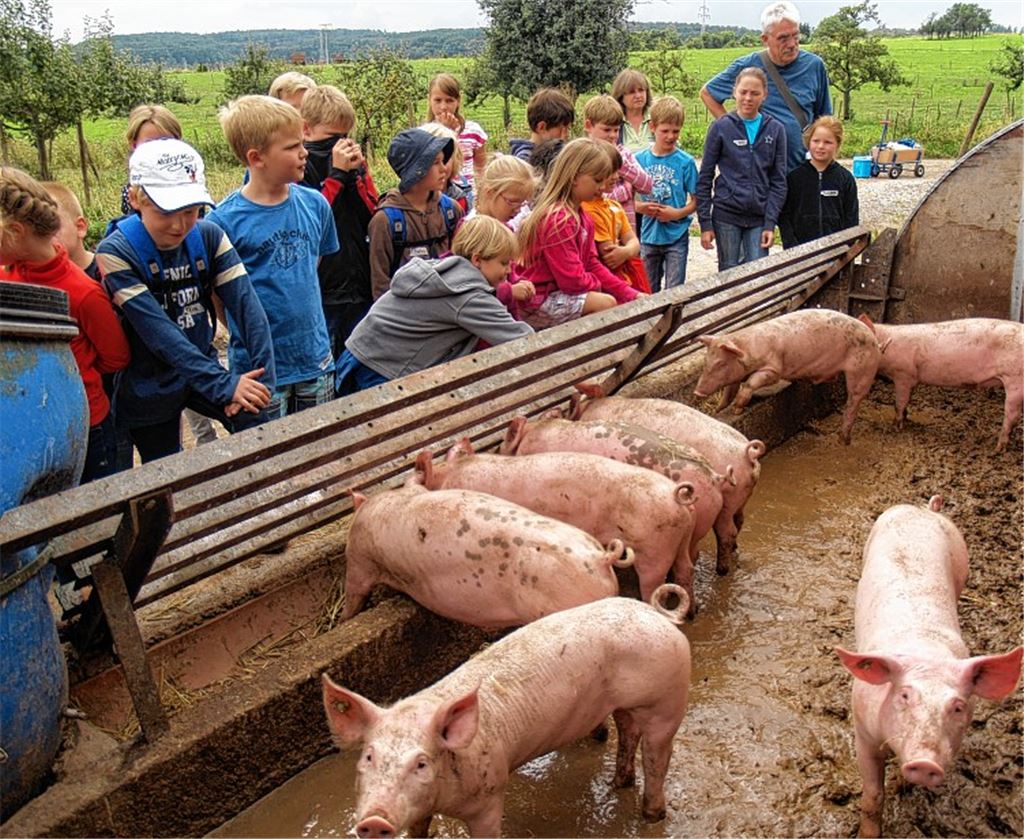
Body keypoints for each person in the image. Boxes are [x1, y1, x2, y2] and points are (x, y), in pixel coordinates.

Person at [96, 139, 275, 462]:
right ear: (135, 199)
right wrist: (224, 385)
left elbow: (248, 309)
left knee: (254, 414)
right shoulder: (115, 252)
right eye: (166, 212)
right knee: (165, 466)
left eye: (191, 211)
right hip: (146, 380)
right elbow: (160, 334)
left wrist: (263, 384)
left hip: (201, 360)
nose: (179, 225)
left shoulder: (208, 236)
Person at [208, 95, 338, 421]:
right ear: (257, 158)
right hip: (258, 372)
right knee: (265, 448)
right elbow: (218, 295)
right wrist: (245, 333)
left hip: (314, 359)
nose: (304, 152)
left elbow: (313, 267)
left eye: (302, 143)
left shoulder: (315, 205)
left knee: (319, 443)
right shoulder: (222, 223)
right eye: (292, 147)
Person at [2, 167, 130, 482]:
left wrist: (74, 370)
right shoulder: (6, 276)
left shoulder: (83, 292)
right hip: (26, 423)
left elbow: (116, 357)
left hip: (84, 426)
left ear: (16, 231)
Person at [335, 215, 534, 395]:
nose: (509, 271)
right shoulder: (468, 296)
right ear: (477, 260)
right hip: (380, 369)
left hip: (361, 353)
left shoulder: (445, 273)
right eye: (504, 263)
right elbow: (522, 339)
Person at [516, 137, 642, 330]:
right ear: (574, 177)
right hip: (538, 299)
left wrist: (629, 293)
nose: (602, 187)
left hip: (557, 294)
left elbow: (591, 264)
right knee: (605, 304)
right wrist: (602, 286)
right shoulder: (559, 220)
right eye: (597, 180)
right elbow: (572, 281)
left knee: (611, 300)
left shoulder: (582, 217)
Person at [699, 1, 831, 173]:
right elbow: (708, 93)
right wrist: (735, 132)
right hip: (761, 175)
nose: (792, 44)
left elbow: (825, 120)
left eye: (796, 36)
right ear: (765, 39)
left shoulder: (814, 66)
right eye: (783, 38)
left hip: (802, 172)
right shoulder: (748, 67)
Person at [299, 84, 379, 362]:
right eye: (332, 138)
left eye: (345, 137)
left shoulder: (354, 164)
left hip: (359, 279)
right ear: (306, 129)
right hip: (326, 288)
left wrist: (358, 176)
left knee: (360, 359)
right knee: (328, 360)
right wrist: (335, 176)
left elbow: (373, 213)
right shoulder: (304, 165)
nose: (340, 145)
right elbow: (311, 222)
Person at [697, 68, 789, 272]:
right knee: (729, 274)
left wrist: (770, 222)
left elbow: (779, 181)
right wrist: (705, 223)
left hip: (759, 218)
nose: (748, 98)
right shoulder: (721, 127)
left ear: (764, 95)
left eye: (755, 93)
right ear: (734, 92)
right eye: (743, 92)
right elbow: (705, 177)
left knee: (758, 274)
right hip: (726, 215)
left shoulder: (776, 130)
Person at [367, 127, 464, 299]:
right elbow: (380, 285)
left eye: (443, 161)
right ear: (417, 170)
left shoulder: (451, 210)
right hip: (404, 312)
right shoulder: (385, 221)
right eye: (435, 162)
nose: (444, 169)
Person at [634, 96, 699, 292]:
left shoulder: (686, 162)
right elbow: (625, 198)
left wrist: (677, 213)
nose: (671, 136)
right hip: (649, 234)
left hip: (676, 235)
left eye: (675, 131)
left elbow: (697, 200)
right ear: (652, 127)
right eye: (665, 131)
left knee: (675, 291)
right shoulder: (639, 160)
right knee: (647, 290)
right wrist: (641, 208)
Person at [580, 145, 651, 294]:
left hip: (622, 279)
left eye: (617, 171)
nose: (616, 177)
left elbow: (634, 241)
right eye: (610, 172)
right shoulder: (588, 209)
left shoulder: (614, 205)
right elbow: (610, 256)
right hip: (606, 285)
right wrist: (628, 250)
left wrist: (625, 252)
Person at [779, 116, 859, 248]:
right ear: (808, 142)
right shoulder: (794, 178)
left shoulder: (845, 178)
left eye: (828, 142)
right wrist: (791, 246)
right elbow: (784, 216)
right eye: (816, 141)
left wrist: (845, 247)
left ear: (837, 144)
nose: (821, 146)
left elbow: (851, 219)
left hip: (836, 252)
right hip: (800, 252)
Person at [582, 93, 653, 233]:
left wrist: (618, 161)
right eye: (607, 130)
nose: (613, 135)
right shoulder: (583, 155)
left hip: (625, 233)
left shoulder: (624, 154)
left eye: (616, 130)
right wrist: (626, 190)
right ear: (589, 126)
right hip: (595, 229)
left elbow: (647, 185)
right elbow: (592, 195)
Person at [425, 72, 488, 189]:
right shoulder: (423, 134)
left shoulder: (473, 131)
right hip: (438, 192)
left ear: (458, 101)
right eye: (438, 100)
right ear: (429, 100)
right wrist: (444, 131)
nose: (443, 107)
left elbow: (481, 170)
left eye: (449, 101)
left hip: (468, 193)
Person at [119, 104, 183, 216]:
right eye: (150, 143)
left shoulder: (190, 182)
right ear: (134, 145)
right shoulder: (134, 189)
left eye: (167, 141)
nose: (160, 149)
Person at [42, 181, 100, 281]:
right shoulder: (31, 278)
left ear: (80, 227)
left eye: (50, 226)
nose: (42, 236)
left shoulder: (107, 270)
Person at [419, 121, 474, 214]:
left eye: (445, 159)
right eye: (435, 161)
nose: (442, 167)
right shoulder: (406, 201)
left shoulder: (459, 200)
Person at [509, 87, 575, 162]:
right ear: (541, 127)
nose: (566, 135)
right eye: (561, 129)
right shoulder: (524, 159)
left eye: (567, 129)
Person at [611, 68, 655, 154]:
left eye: (641, 90)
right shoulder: (614, 122)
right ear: (621, 96)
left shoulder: (657, 117)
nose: (638, 96)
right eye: (631, 92)